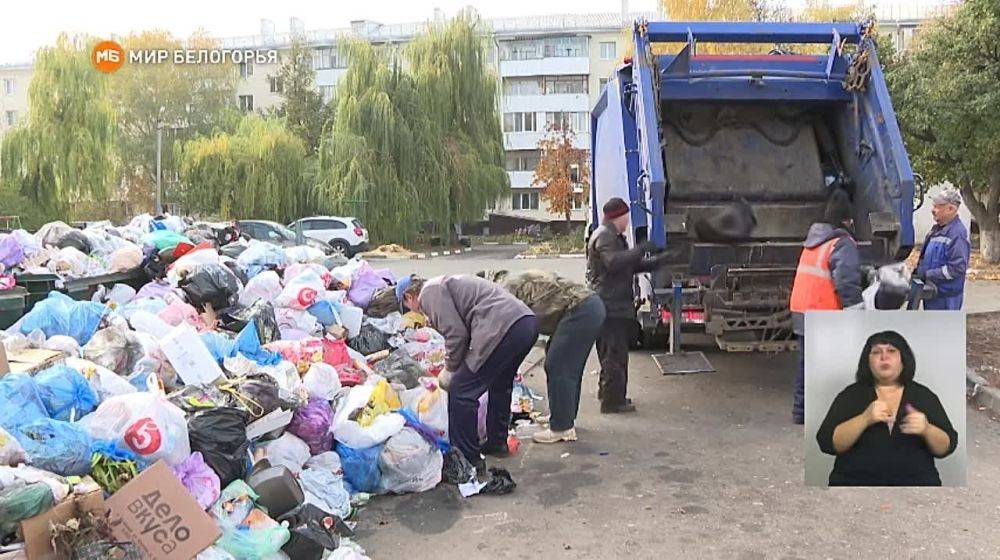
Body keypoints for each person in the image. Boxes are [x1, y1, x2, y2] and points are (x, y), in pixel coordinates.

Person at [396, 274, 538, 470]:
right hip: (525, 324)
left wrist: (450, 368)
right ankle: (497, 442)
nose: (414, 312)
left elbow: (457, 335)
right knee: (499, 383)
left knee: (461, 391)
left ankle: (467, 459)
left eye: (407, 307)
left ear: (408, 297)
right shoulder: (444, 284)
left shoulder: (429, 292)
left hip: (501, 328)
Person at [478, 269, 606, 444]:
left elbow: (512, 325)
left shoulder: (505, 289)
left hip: (580, 310)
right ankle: (563, 416)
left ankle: (562, 428)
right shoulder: (511, 281)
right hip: (586, 307)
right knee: (565, 365)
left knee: (559, 365)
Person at [816, 330, 958, 486]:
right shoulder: (851, 395)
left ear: (903, 359)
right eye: (876, 352)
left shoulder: (923, 395)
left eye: (891, 351)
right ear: (867, 362)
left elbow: (946, 447)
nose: (884, 357)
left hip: (916, 487)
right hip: (854, 485)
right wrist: (864, 419)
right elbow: (827, 443)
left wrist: (927, 429)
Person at [586, 197, 669, 414]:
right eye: (626, 217)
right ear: (618, 216)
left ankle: (609, 393)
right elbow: (614, 263)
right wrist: (641, 249)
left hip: (612, 304)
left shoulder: (611, 236)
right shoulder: (604, 236)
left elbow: (628, 265)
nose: (627, 221)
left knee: (612, 354)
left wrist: (659, 261)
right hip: (610, 306)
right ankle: (613, 402)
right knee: (614, 355)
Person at [789, 189, 863, 424]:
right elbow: (847, 282)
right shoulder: (842, 243)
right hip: (824, 312)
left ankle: (801, 412)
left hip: (802, 309)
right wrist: (857, 313)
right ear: (847, 220)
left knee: (806, 363)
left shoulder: (813, 241)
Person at [915, 188, 970, 310]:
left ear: (951, 209)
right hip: (933, 295)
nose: (933, 210)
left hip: (946, 300)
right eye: (933, 206)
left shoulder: (957, 234)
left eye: (938, 207)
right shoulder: (936, 230)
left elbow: (956, 269)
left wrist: (927, 274)